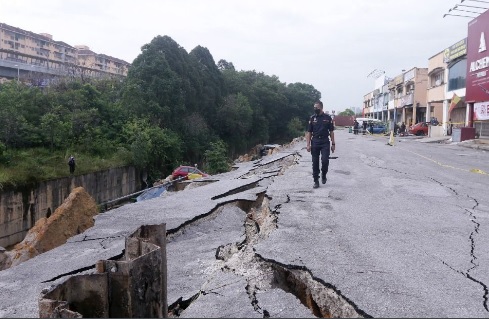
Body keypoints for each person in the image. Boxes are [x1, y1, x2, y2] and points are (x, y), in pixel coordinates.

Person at [306, 101, 335, 189]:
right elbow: (309, 132)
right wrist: (308, 144)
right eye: (314, 107)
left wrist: (333, 143)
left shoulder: (328, 118)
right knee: (315, 162)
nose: (315, 109)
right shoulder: (312, 118)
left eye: (317, 107)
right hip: (315, 141)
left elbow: (331, 132)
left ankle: (324, 174)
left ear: (321, 108)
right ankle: (316, 180)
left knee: (325, 160)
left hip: (325, 141)